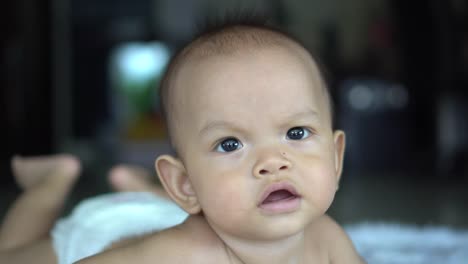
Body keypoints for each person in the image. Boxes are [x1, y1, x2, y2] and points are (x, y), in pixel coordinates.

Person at [0, 18, 364, 263]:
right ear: (184, 183)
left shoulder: (328, 242)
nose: (273, 161)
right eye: (230, 144)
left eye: (296, 133)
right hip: (107, 232)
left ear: (335, 156)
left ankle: (137, 186)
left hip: (172, 211)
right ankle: (51, 183)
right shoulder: (182, 256)